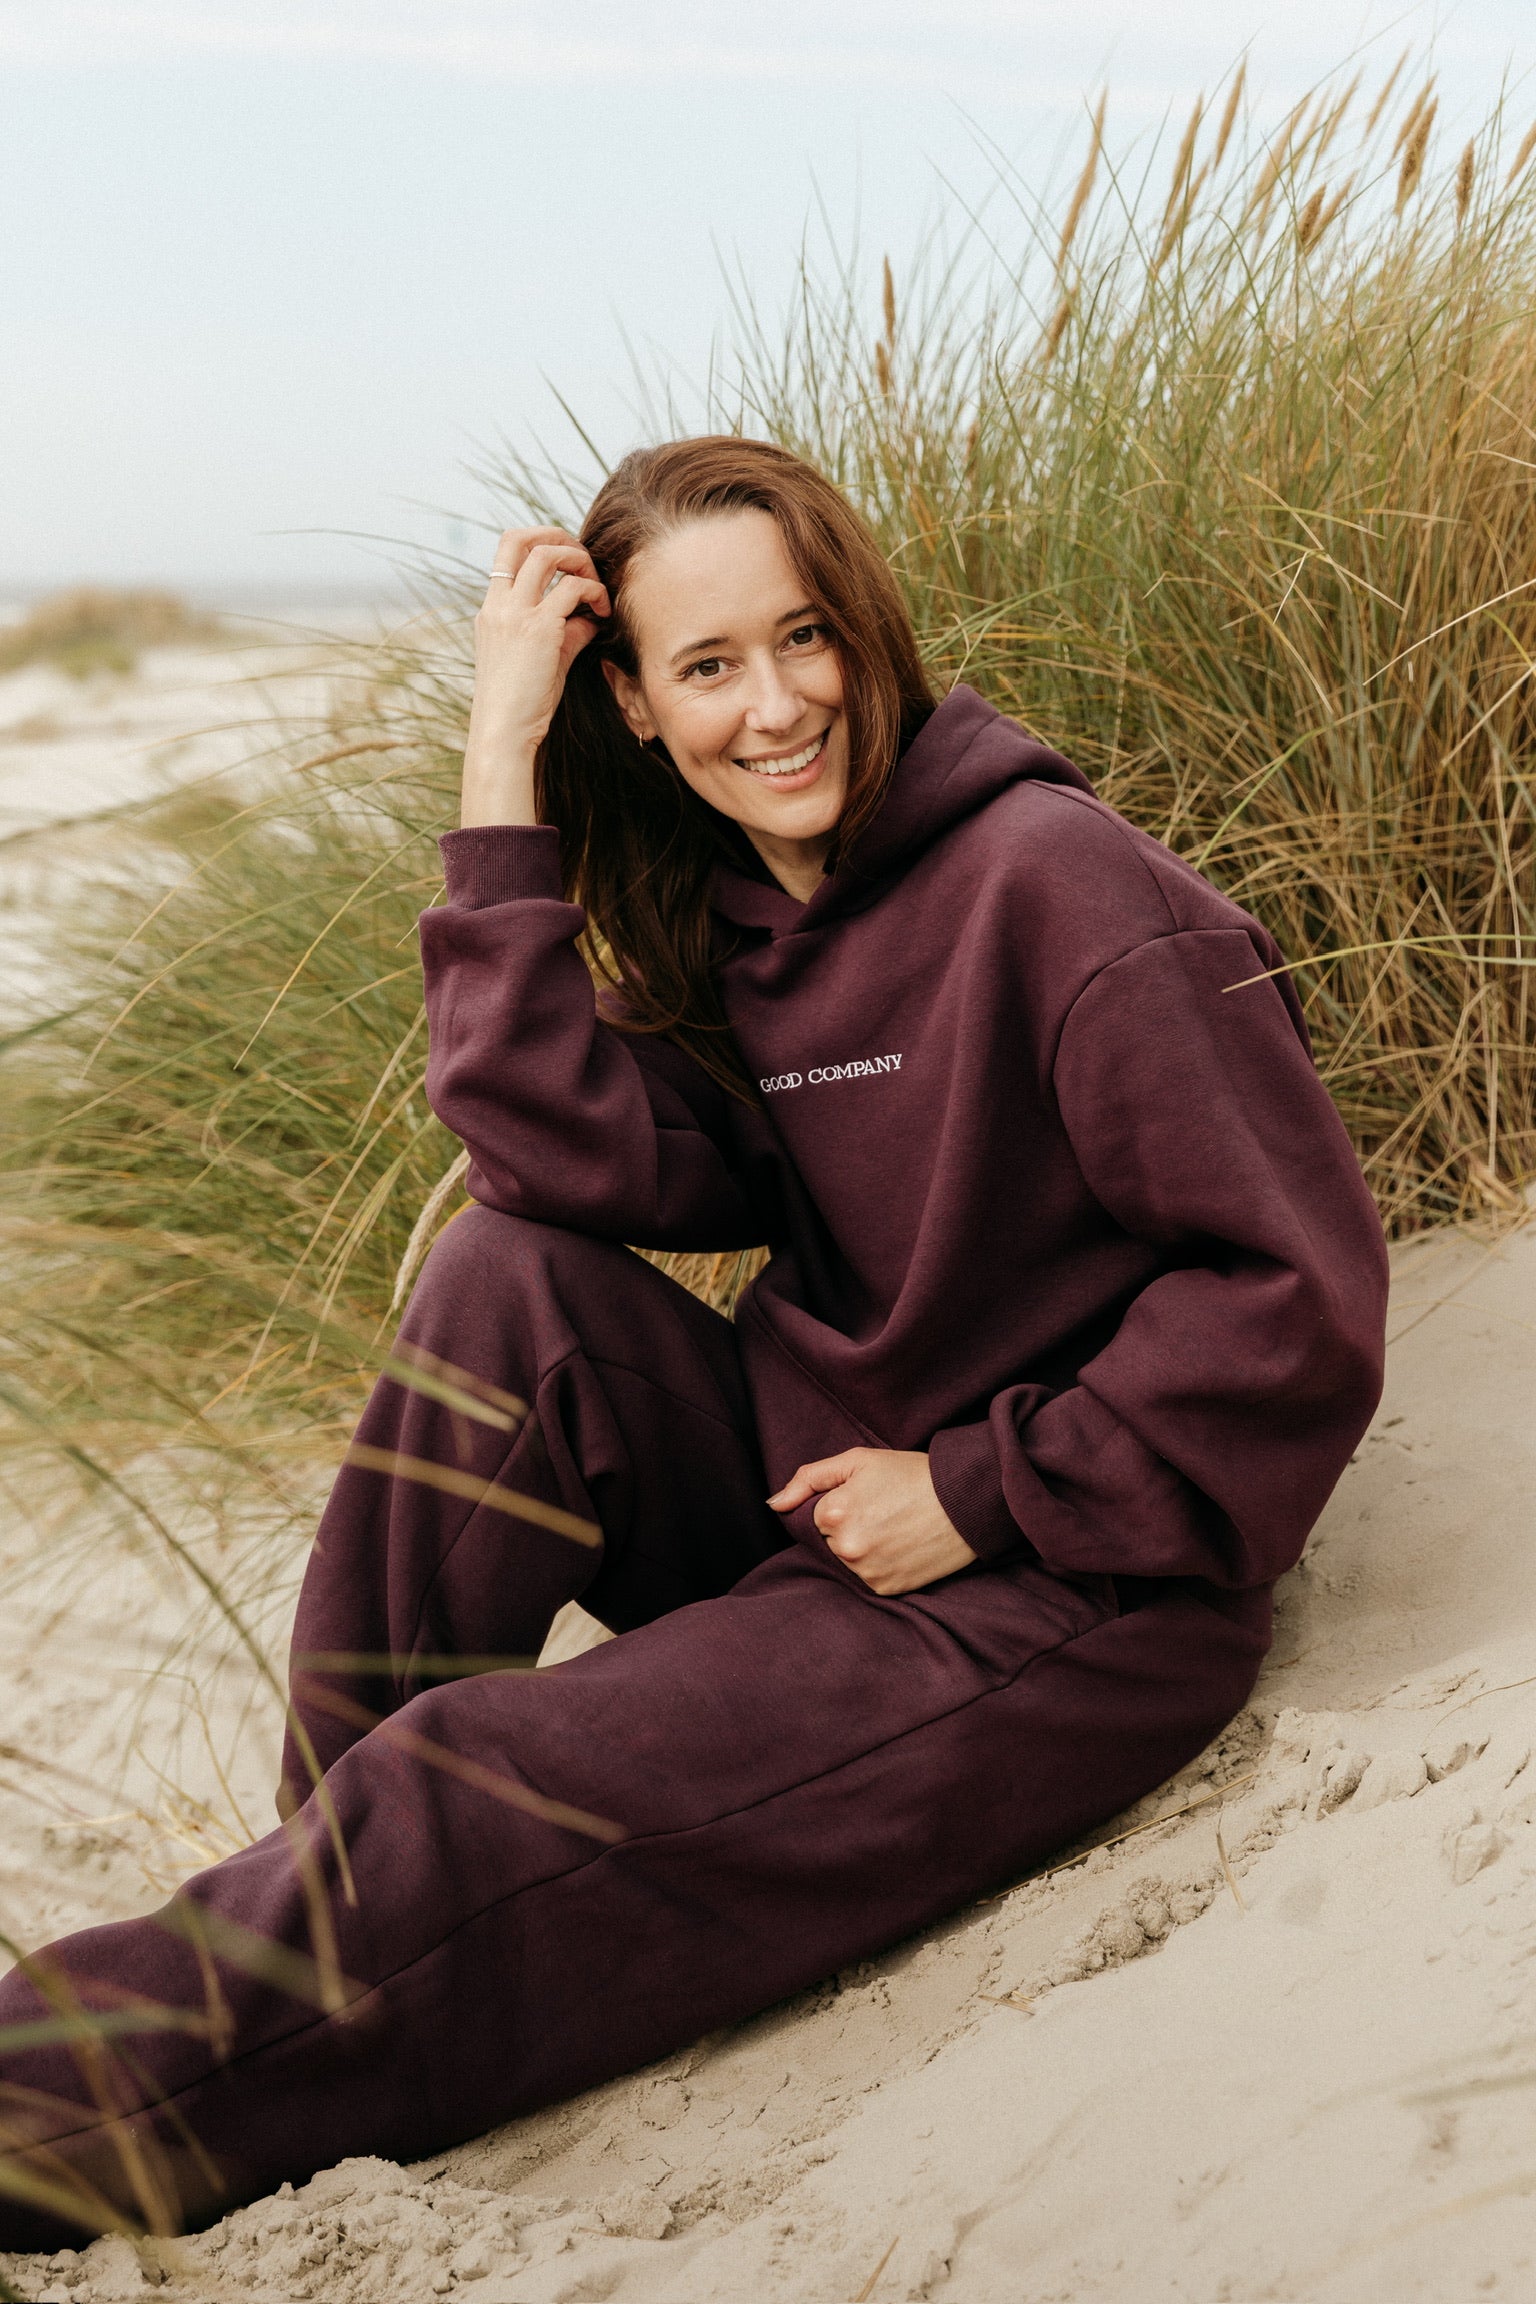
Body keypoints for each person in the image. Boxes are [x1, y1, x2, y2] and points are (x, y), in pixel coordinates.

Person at [0, 437, 1388, 2247]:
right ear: (639, 709)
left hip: (1055, 1590)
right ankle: (335, 1924)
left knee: (466, 1792)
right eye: (710, 665)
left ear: (866, 628)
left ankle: (83, 2087)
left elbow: (1299, 1295)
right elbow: (542, 1156)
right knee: (502, 1287)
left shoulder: (1054, 883)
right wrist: (500, 755)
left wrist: (977, 1490)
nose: (779, 704)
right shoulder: (756, 919)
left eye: (805, 635)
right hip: (819, 1513)